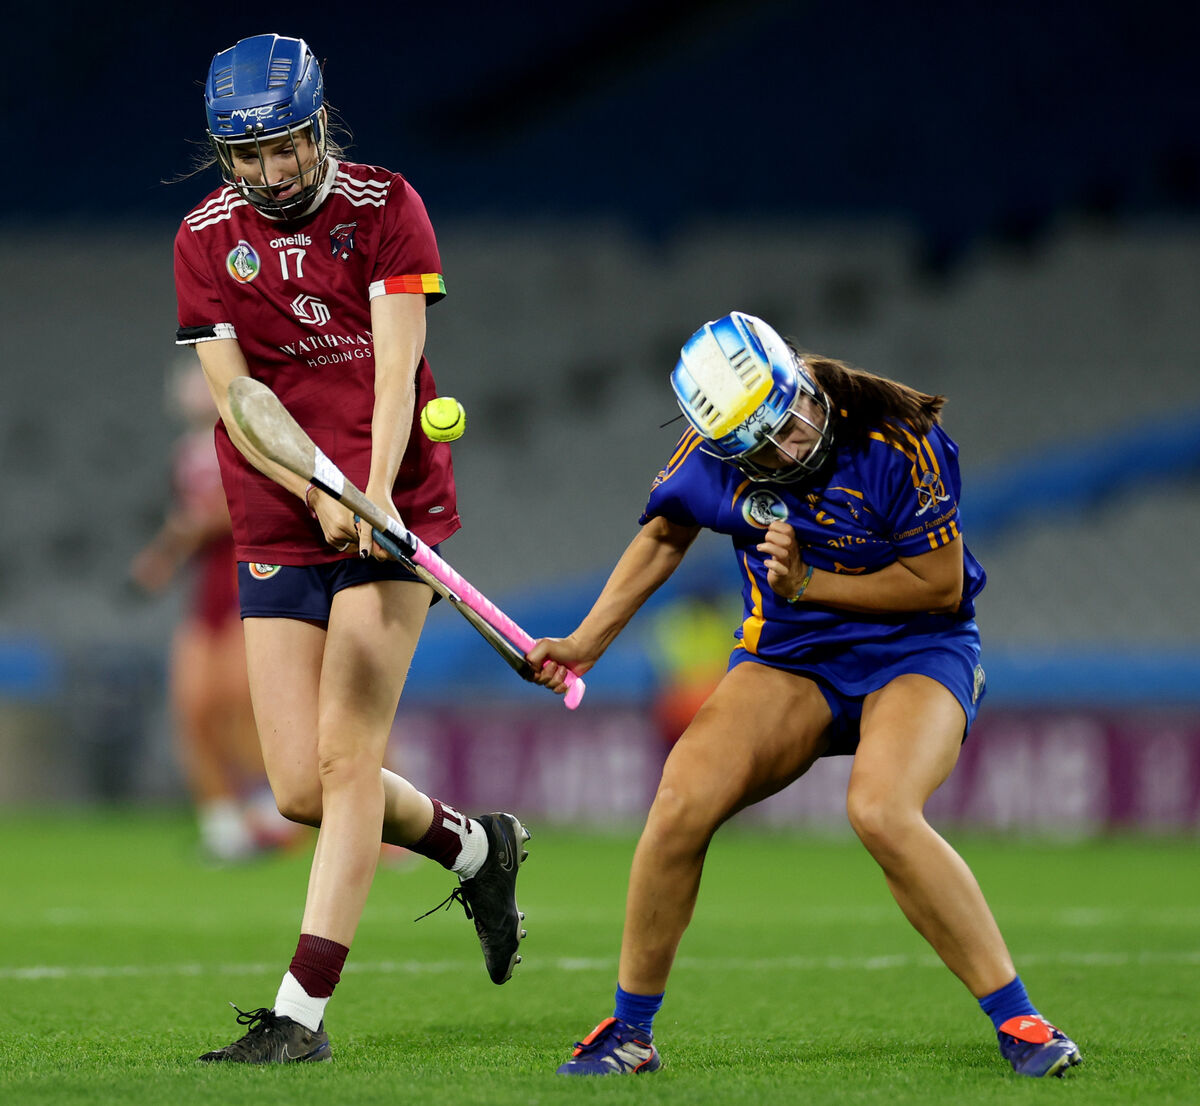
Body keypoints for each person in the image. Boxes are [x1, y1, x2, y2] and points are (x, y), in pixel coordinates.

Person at [530, 311, 1081, 1079]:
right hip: (792, 659)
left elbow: (939, 586)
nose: (788, 446)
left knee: (881, 810)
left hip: (918, 650)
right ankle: (630, 1032)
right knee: (680, 802)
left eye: (789, 421)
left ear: (799, 380)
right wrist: (584, 642)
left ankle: (1020, 1020)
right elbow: (665, 532)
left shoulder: (898, 439)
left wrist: (808, 582)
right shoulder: (714, 451)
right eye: (762, 446)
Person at [173, 33, 530, 1064]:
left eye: (289, 147)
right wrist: (309, 491)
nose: (273, 173)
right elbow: (237, 396)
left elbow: (393, 369)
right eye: (251, 157)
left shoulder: (385, 208)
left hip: (394, 495)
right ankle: (476, 843)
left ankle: (300, 1010)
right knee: (298, 787)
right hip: (277, 510)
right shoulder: (203, 237)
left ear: (321, 126)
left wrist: (371, 496)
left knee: (346, 757)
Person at [131, 360, 295, 863]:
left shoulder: (254, 437)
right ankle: (224, 823)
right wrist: (171, 550)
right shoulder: (185, 453)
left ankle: (277, 811)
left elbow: (230, 511)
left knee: (239, 704)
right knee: (192, 707)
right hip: (207, 590)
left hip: (247, 577)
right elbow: (196, 518)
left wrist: (173, 542)